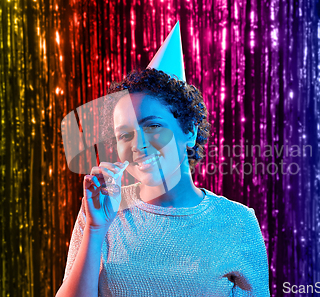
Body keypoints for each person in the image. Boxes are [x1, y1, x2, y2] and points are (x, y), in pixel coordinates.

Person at [56, 23, 269, 297]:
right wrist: (97, 230)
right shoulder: (100, 211)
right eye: (125, 135)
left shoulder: (238, 221)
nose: (139, 145)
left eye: (153, 126)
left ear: (189, 131)